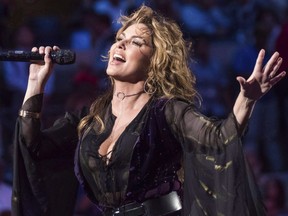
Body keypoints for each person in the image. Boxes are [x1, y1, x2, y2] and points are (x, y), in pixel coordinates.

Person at [12, 5, 286, 216]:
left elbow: (218, 138)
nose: (120, 44)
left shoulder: (167, 111)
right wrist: (36, 82)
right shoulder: (90, 118)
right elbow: (32, 147)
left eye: (136, 42)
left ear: (156, 61)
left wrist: (246, 101)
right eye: (120, 38)